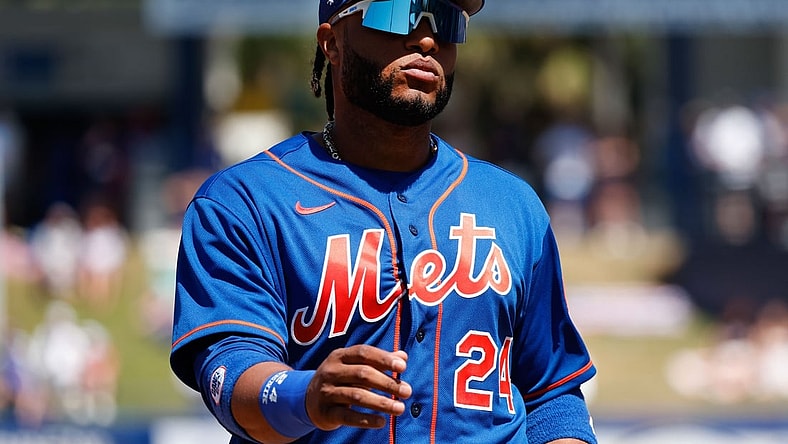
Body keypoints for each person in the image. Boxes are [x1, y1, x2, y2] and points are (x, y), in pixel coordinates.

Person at [170, 1, 598, 443]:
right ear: (331, 44)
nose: (427, 39)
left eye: (447, 20)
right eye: (397, 13)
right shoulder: (244, 201)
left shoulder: (512, 204)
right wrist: (305, 396)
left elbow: (552, 392)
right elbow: (229, 376)